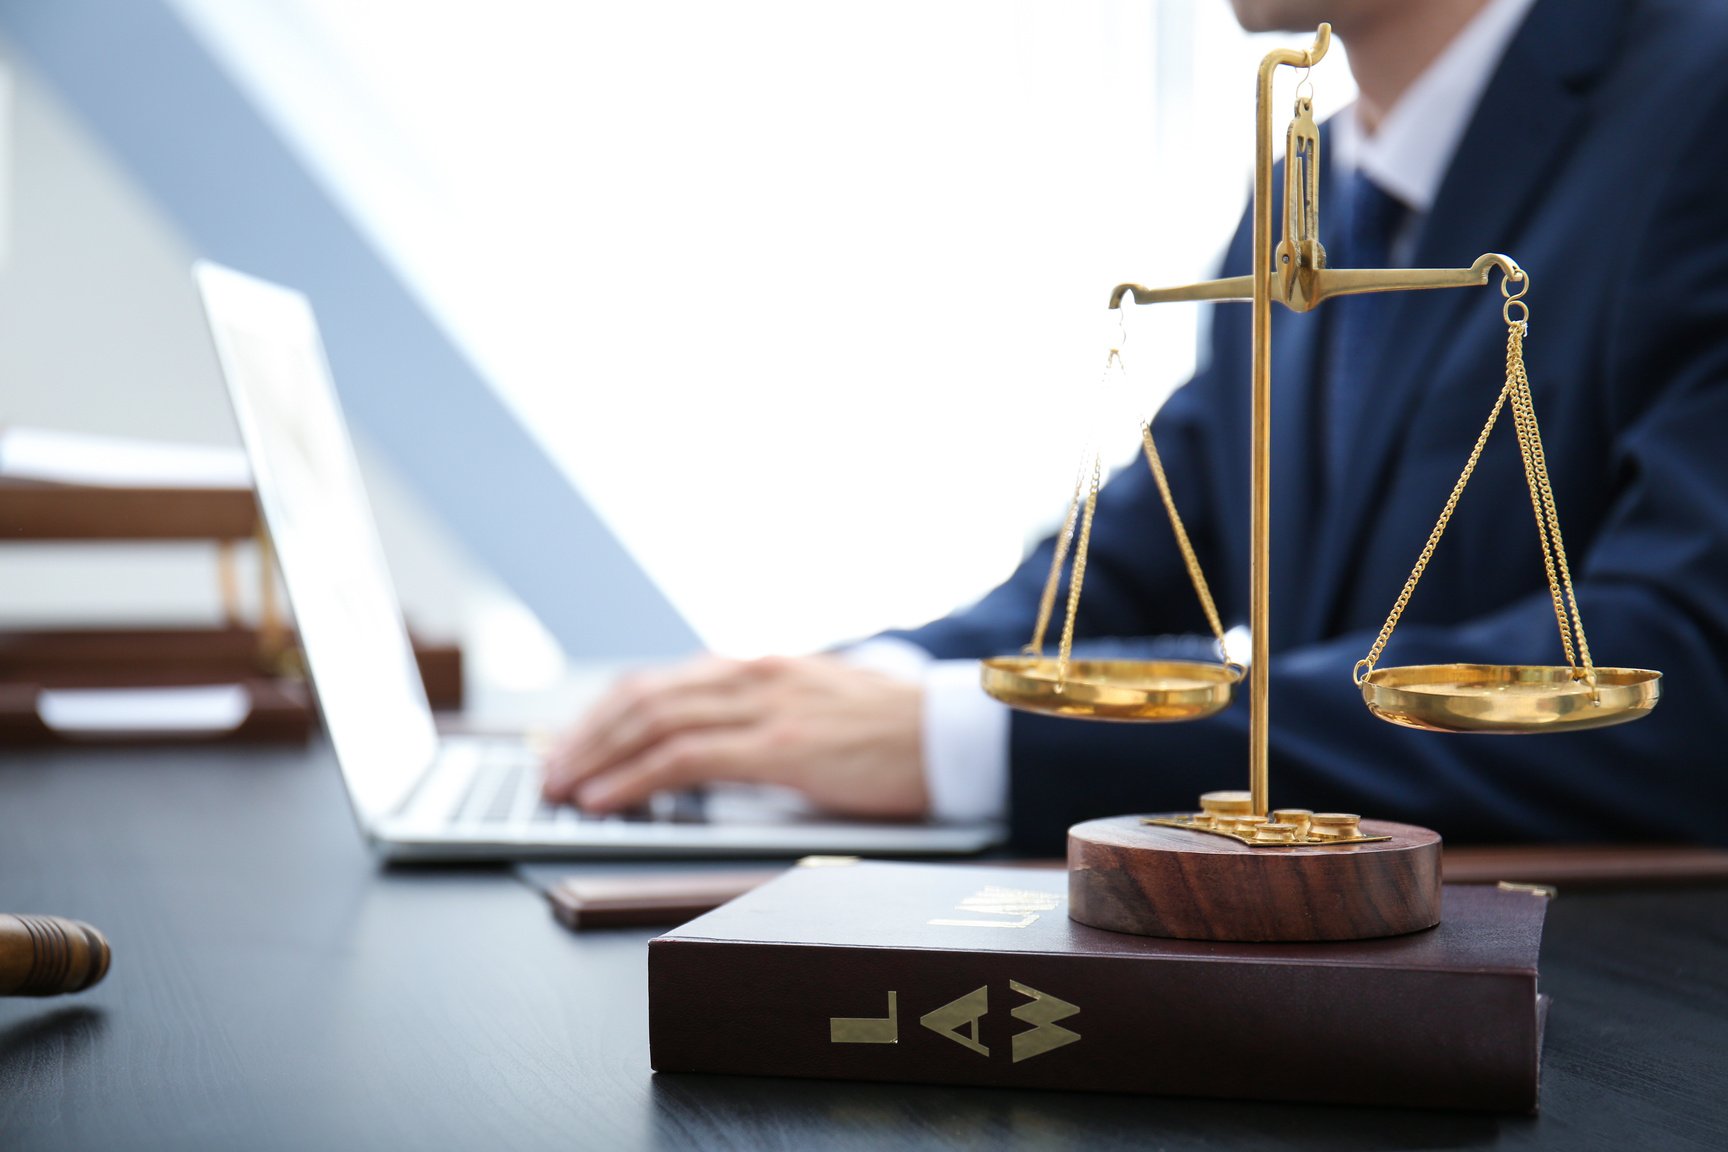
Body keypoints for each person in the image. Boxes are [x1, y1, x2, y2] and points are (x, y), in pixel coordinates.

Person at [543, 0, 1728, 853]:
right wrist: (863, 690)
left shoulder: (1700, 104)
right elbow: (1149, 547)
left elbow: (1691, 673)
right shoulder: (1302, 194)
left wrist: (979, 740)